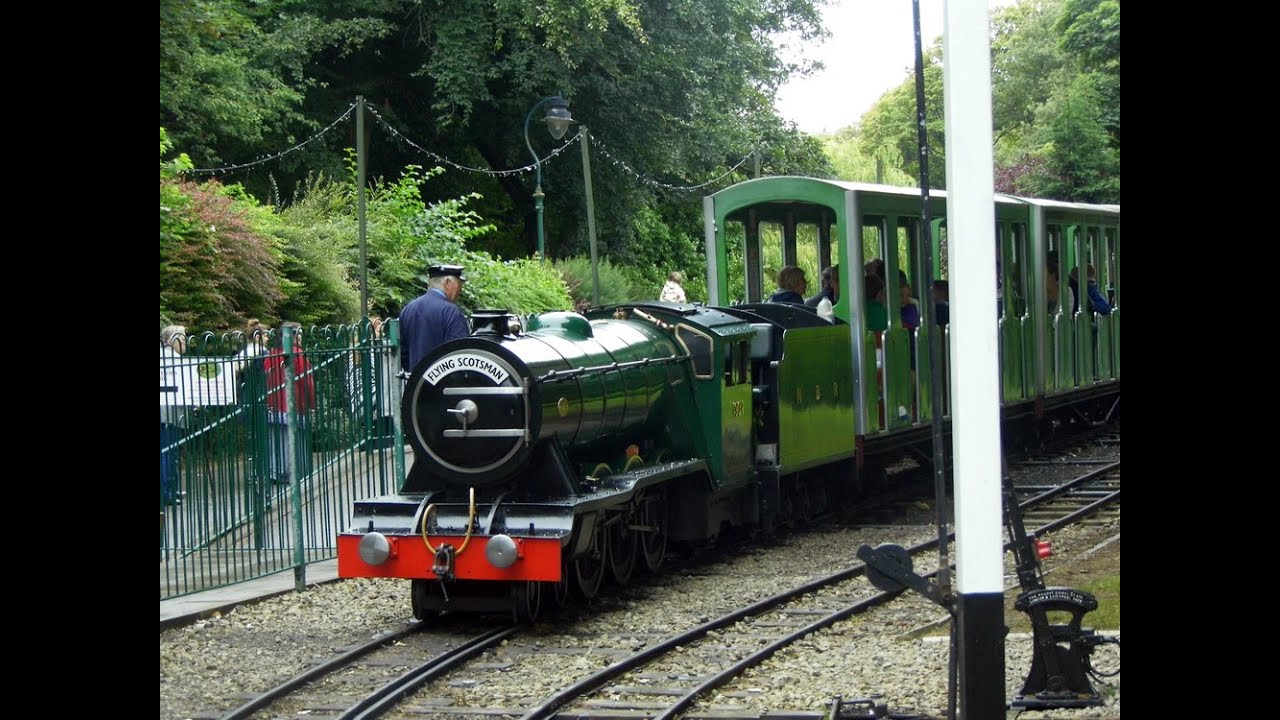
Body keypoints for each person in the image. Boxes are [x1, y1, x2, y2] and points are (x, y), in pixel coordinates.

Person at [262, 322, 315, 485]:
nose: (300, 338)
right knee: (291, 440)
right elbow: (307, 382)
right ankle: (290, 473)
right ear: (290, 336)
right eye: (298, 334)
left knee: (274, 439)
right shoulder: (297, 354)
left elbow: (265, 378)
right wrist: (311, 403)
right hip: (293, 403)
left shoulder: (272, 353)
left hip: (273, 404)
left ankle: (273, 471)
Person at [399, 264, 471, 373]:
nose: (460, 290)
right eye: (459, 285)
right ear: (447, 283)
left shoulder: (407, 310)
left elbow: (403, 354)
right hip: (443, 384)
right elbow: (459, 353)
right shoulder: (452, 312)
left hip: (416, 385)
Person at [160, 325, 187, 506]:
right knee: (169, 452)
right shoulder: (177, 360)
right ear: (173, 340)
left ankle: (170, 489)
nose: (185, 342)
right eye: (183, 338)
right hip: (169, 412)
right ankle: (167, 492)